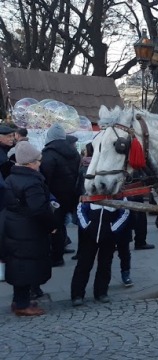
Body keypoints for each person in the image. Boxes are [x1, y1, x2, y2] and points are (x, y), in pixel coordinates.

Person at [2, 141, 57, 316]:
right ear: (30, 163)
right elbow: (39, 209)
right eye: (37, 160)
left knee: (18, 264)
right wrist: (52, 226)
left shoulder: (11, 177)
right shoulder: (32, 181)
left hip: (14, 226)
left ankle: (19, 300)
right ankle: (22, 305)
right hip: (28, 230)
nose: (40, 163)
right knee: (26, 267)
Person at [70, 198, 130, 306]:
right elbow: (80, 209)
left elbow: (124, 212)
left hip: (109, 235)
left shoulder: (119, 195)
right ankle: (77, 294)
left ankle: (101, 292)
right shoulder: (90, 192)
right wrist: (86, 226)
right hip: (89, 235)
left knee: (105, 265)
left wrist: (113, 229)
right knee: (83, 264)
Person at [40, 123, 81, 266]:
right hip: (71, 194)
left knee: (55, 226)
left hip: (54, 197)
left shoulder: (48, 154)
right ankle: (76, 251)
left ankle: (57, 257)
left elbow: (45, 178)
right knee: (71, 223)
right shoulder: (74, 153)